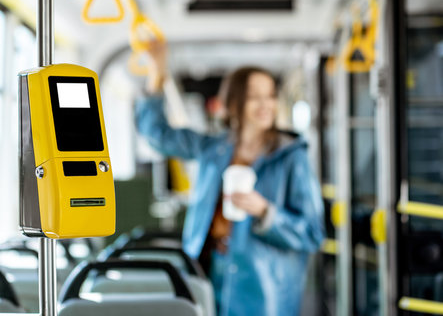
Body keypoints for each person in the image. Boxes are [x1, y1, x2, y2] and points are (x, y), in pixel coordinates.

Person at [135, 41, 325, 316]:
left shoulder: (291, 157)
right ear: (234, 103)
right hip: (206, 273)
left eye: (270, 96)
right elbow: (158, 136)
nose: (265, 105)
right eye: (254, 97)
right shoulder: (214, 148)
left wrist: (266, 212)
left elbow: (312, 234)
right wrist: (156, 73)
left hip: (262, 289)